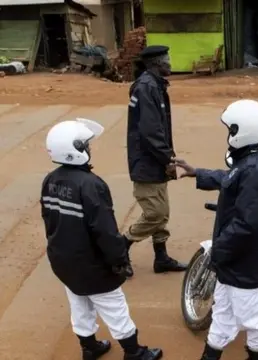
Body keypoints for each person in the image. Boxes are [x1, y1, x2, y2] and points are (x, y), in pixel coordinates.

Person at [41, 118, 163, 360]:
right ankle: (133, 351)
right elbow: (105, 230)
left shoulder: (50, 180)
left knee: (79, 302)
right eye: (85, 145)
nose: (89, 148)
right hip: (92, 264)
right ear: (75, 150)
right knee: (113, 305)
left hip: (62, 260)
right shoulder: (91, 185)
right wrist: (119, 259)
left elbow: (48, 219)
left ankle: (89, 347)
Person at [172, 99, 258, 360]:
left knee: (252, 321)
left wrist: (218, 250)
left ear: (241, 131)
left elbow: (247, 225)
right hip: (237, 261)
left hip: (246, 262)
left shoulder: (255, 170)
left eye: (231, 130)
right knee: (222, 311)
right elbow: (232, 179)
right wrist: (197, 173)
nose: (228, 135)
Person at [123, 45, 187, 277]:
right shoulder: (147, 88)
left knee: (163, 212)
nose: (171, 63)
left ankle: (161, 258)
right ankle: (122, 246)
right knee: (155, 213)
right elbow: (150, 131)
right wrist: (167, 158)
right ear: (157, 64)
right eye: (167, 60)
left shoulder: (155, 86)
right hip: (147, 162)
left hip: (155, 160)